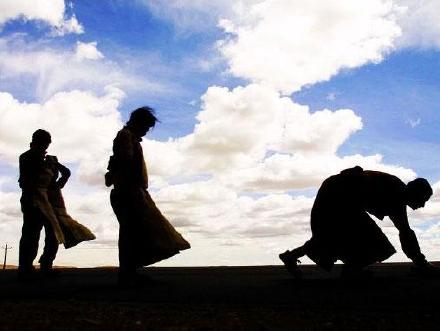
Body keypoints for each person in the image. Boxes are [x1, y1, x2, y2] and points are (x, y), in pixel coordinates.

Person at [279, 166, 436, 278]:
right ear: (414, 192)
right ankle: (351, 271)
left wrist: (420, 262)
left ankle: (292, 256)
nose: (422, 205)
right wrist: (421, 263)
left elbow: (405, 231)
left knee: (333, 237)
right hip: (338, 194)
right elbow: (405, 231)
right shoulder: (395, 191)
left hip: (340, 195)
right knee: (376, 243)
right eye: (423, 200)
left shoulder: (398, 197)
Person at [106, 107, 190, 285]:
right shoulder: (125, 136)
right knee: (131, 232)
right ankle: (127, 274)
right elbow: (124, 160)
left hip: (131, 190)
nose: (146, 131)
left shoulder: (129, 138)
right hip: (129, 191)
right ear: (138, 122)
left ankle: (129, 272)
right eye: (145, 126)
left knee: (134, 232)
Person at [18, 129, 95, 279]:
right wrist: (48, 167)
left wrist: (57, 171)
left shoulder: (49, 161)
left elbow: (61, 178)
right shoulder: (27, 157)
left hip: (49, 202)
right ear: (35, 142)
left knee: (52, 234)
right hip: (33, 200)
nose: (45, 147)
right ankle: (25, 269)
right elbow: (26, 182)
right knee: (31, 235)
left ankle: (46, 265)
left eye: (46, 144)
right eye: (42, 143)